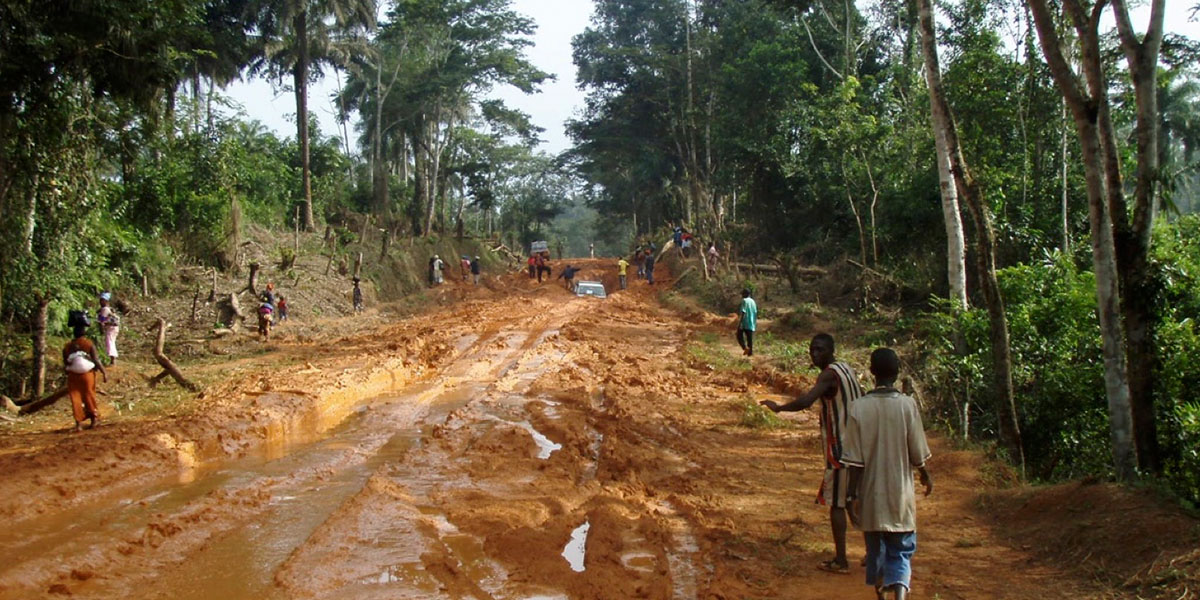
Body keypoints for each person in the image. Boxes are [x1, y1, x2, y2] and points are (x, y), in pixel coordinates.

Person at [761, 333, 865, 575]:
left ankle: (841, 560)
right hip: (859, 446)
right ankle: (873, 553)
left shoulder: (829, 374)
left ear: (830, 350)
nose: (814, 354)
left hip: (841, 449)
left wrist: (779, 408)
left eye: (819, 349)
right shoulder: (845, 369)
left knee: (837, 504)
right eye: (812, 350)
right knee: (855, 499)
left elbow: (807, 400)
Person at [843, 348, 933, 600]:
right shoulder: (907, 405)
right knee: (901, 551)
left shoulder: (858, 408)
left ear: (871, 372)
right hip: (900, 495)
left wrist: (851, 496)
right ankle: (900, 595)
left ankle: (882, 593)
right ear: (897, 373)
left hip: (871, 495)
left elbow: (855, 461)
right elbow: (917, 453)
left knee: (876, 551)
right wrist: (925, 474)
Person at [63, 311, 107, 432]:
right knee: (89, 395)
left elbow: (66, 363)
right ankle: (94, 420)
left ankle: (78, 424)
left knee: (75, 398)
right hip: (87, 375)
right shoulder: (88, 344)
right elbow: (96, 359)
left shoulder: (67, 346)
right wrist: (104, 372)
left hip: (73, 376)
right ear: (84, 331)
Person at [97, 292, 119, 365]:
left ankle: (113, 360)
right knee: (111, 342)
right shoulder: (107, 309)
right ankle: (112, 359)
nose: (100, 302)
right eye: (100, 300)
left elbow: (101, 321)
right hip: (113, 328)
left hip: (111, 328)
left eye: (102, 300)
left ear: (106, 301)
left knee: (110, 342)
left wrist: (101, 329)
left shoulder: (105, 309)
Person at [735, 289, 757, 356]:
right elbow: (755, 312)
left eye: (742, 294)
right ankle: (750, 353)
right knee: (749, 339)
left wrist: (740, 323)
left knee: (739, 335)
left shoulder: (744, 301)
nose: (742, 295)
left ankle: (745, 348)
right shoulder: (753, 301)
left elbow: (743, 312)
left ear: (744, 294)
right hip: (751, 322)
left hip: (744, 322)